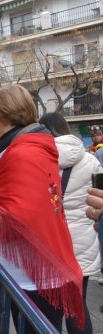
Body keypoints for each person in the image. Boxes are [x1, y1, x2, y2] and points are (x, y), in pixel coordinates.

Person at [0, 85, 84, 333]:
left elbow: (15, 222)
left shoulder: (22, 153)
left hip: (36, 278)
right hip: (38, 271)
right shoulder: (30, 147)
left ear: (5, 115)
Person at [39, 112, 101, 334]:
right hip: (83, 241)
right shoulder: (91, 160)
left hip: (53, 241)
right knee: (78, 307)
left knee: (51, 308)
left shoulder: (40, 158)